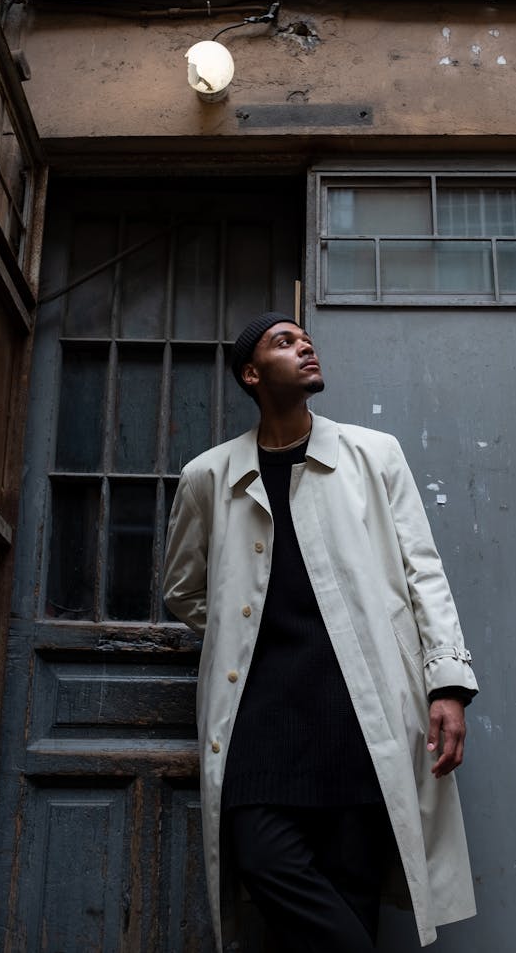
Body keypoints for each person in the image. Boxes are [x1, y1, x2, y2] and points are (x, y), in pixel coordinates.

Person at [164, 312, 478, 952]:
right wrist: (238, 631)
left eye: (306, 338)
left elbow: (425, 573)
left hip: (359, 710)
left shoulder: (374, 454)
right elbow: (182, 588)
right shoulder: (209, 476)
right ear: (252, 374)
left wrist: (447, 684)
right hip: (257, 714)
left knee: (353, 887)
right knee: (260, 857)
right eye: (284, 342)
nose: (305, 345)